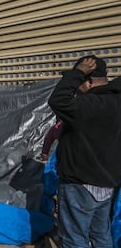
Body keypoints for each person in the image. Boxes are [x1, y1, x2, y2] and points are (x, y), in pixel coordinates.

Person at [48, 55, 121, 248]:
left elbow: (57, 100)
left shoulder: (89, 105)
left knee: (74, 238)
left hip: (80, 184)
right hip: (107, 183)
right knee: (101, 234)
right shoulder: (116, 102)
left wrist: (77, 72)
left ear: (88, 82)